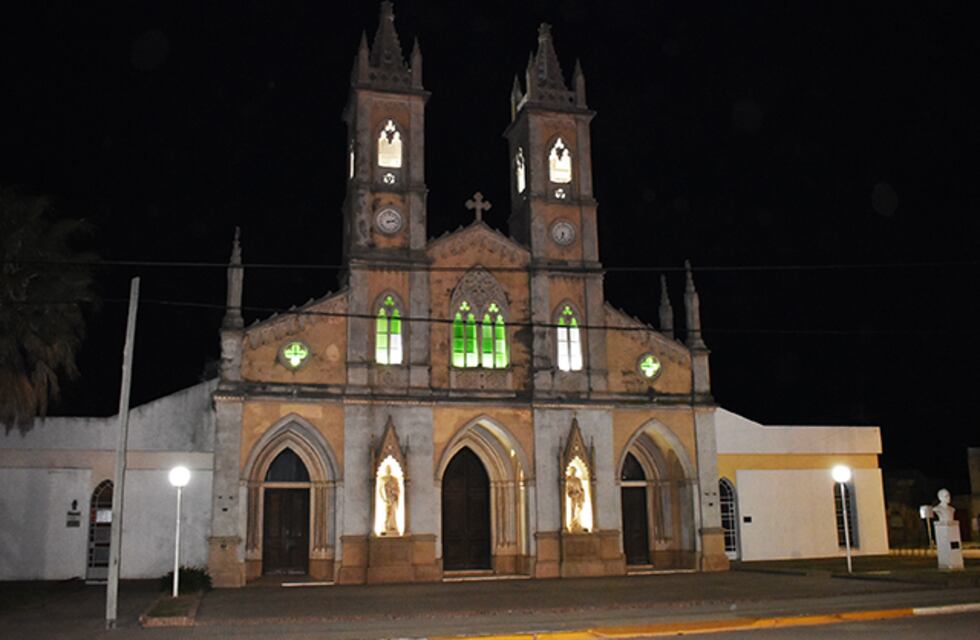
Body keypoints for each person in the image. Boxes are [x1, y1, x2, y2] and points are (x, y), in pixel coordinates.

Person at [380, 463, 400, 535]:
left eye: (389, 469)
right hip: (387, 499)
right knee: (387, 513)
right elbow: (380, 490)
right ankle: (387, 527)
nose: (388, 470)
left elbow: (398, 489)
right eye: (387, 469)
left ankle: (392, 527)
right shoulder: (383, 479)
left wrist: (395, 493)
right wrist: (384, 499)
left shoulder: (394, 479)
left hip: (393, 498)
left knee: (393, 512)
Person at [566, 466, 586, 532]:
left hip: (579, 497)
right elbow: (567, 490)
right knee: (573, 510)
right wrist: (572, 494)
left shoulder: (578, 480)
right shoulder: (568, 480)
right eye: (572, 471)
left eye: (574, 471)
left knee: (578, 511)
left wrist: (581, 494)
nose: (573, 472)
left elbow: (581, 488)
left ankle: (578, 524)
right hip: (572, 498)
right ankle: (572, 524)